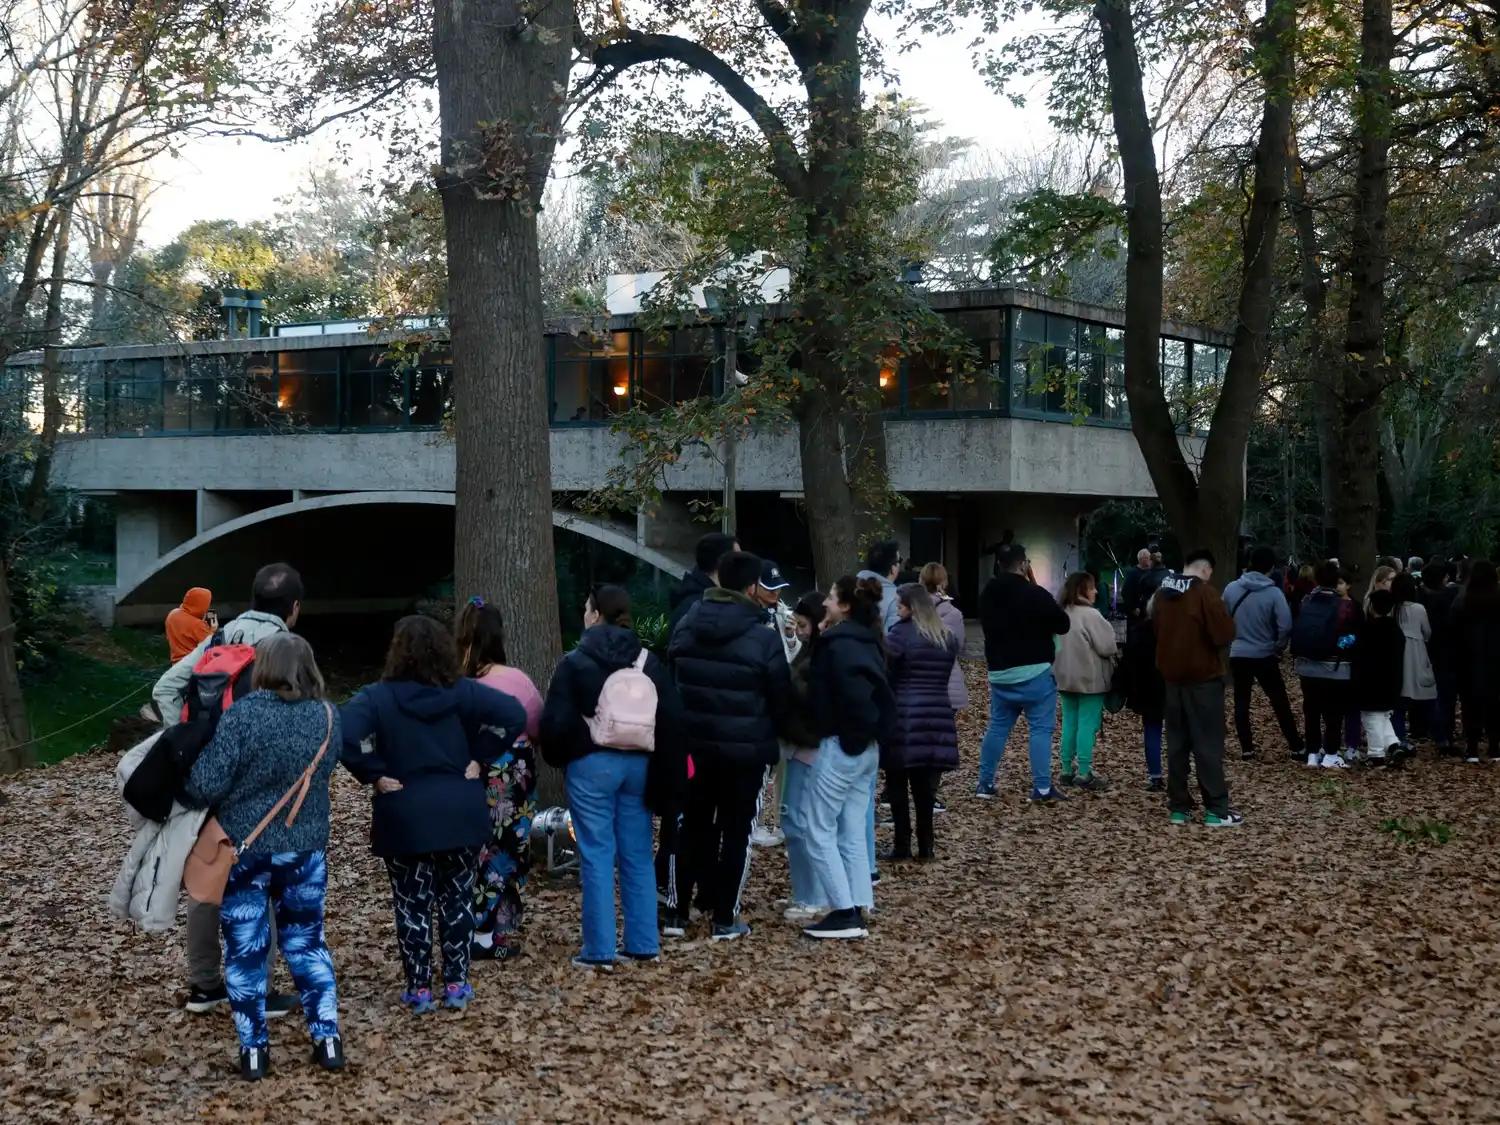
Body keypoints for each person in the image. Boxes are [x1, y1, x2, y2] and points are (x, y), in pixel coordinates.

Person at [340, 616, 528, 1013]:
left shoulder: (377, 697)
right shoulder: (463, 693)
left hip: (405, 812)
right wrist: (481, 756)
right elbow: (513, 713)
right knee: (458, 900)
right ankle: (457, 982)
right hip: (460, 809)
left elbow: (345, 734)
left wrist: (372, 772)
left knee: (412, 902)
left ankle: (420, 986)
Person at [182, 633, 343, 1080]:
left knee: (246, 950)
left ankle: (254, 1051)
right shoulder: (329, 717)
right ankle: (327, 1039)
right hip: (305, 851)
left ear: (262, 668)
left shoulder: (243, 717)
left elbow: (206, 784)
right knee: (307, 943)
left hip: (245, 851)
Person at [154, 562, 305, 1018]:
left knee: (206, 876)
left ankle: (204, 986)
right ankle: (258, 988)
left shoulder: (218, 637)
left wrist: (185, 747)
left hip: (209, 779)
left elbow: (167, 688)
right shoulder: (290, 648)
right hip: (262, 784)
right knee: (266, 880)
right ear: (294, 608)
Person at [539, 586, 686, 968]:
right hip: (640, 763)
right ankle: (643, 943)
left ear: (594, 614)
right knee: (637, 853)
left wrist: (564, 754)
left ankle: (599, 950)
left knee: (597, 854)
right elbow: (671, 720)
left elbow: (554, 723)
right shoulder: (647, 661)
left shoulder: (575, 661)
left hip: (592, 765)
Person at [668, 550, 792, 941]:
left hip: (693, 749)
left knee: (689, 828)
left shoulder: (687, 626)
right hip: (746, 754)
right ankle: (725, 915)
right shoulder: (764, 639)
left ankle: (675, 910)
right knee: (737, 833)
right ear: (753, 588)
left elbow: (672, 679)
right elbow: (781, 700)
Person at [802, 576, 895, 940]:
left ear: (844, 605)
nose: (824, 602)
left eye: (829, 596)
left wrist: (849, 738)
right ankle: (857, 903)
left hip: (844, 745)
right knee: (853, 830)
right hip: (866, 748)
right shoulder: (870, 641)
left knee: (819, 828)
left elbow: (840, 694)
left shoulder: (836, 645)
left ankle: (843, 911)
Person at [455, 596, 542, 961]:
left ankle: (468, 924)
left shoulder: (453, 683)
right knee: (504, 850)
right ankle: (485, 929)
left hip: (464, 772)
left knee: (472, 851)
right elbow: (537, 723)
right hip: (510, 773)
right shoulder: (516, 681)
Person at [1149, 548, 1241, 826]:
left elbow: (1155, 627)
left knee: (1177, 745)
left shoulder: (1162, 593)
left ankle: (1179, 808)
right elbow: (1224, 633)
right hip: (1203, 681)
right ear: (1207, 570)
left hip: (1172, 679)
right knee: (1208, 745)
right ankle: (1216, 810)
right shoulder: (1204, 594)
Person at [975, 542, 1071, 803]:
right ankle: (1041, 788)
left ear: (998, 564)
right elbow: (1062, 624)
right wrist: (1036, 586)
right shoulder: (1034, 594)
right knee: (1040, 729)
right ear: (1024, 564)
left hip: (1000, 673)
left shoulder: (987, 594)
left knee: (997, 727)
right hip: (1034, 671)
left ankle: (984, 783)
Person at [883, 584, 959, 861]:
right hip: (936, 713)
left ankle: (902, 844)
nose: (897, 609)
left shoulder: (899, 636)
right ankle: (927, 846)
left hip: (904, 715)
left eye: (900, 605)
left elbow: (887, 671)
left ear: (911, 607)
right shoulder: (945, 636)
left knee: (897, 784)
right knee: (924, 787)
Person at [1223, 546, 1302, 761]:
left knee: (1241, 701)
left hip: (1239, 652)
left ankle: (1246, 748)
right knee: (1279, 700)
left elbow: (1221, 618)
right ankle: (1295, 745)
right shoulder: (1274, 593)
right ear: (1271, 567)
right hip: (1264, 653)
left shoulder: (1231, 589)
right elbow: (1285, 625)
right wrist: (1278, 645)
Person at [779, 593, 829, 922]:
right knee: (802, 819)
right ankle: (809, 892)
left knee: (797, 819)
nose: (799, 631)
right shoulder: (815, 652)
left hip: (809, 744)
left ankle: (811, 896)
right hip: (806, 743)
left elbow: (806, 694)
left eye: (803, 625)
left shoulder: (820, 659)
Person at [1291, 560, 1363, 768]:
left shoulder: (1306, 601)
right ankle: (1331, 753)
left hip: (1306, 665)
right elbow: (1355, 636)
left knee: (1311, 710)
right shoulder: (1346, 606)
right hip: (1335, 667)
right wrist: (1339, 646)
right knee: (1333, 713)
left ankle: (1313, 752)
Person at [1052, 572, 1118, 790]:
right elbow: (1108, 646)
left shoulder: (1060, 612)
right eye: (1092, 587)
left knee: (1069, 722)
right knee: (1087, 725)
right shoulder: (1091, 615)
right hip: (1089, 679)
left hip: (1063, 677)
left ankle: (1065, 769)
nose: (1096, 591)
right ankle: (1084, 771)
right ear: (1083, 590)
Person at [749, 558, 796, 849]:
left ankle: (778, 822)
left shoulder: (782, 613)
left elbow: (792, 658)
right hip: (757, 703)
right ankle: (752, 824)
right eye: (770, 588)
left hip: (781, 700)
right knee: (757, 768)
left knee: (782, 766)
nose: (775, 594)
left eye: (779, 588)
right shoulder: (747, 615)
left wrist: (790, 636)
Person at [1449, 559, 1500, 763]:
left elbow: (1452, 631)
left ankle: (1472, 748)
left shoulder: (1462, 600)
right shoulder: (1497, 598)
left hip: (1468, 658)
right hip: (1496, 659)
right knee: (1495, 704)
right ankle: (1495, 747)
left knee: (1470, 704)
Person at [1351, 588, 1406, 765]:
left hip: (1369, 681)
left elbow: (1354, 647)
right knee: (1383, 716)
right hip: (1391, 680)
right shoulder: (1396, 630)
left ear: (1372, 607)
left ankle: (1376, 755)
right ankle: (1393, 745)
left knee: (1371, 718)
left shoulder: (1366, 629)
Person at [1389, 572, 1437, 753]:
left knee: (1399, 702)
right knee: (1428, 698)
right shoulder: (1418, 609)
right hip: (1417, 655)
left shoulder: (1392, 609)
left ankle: (1398, 738)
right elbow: (1427, 632)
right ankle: (1440, 737)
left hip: (1397, 656)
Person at [1121, 613, 1166, 790]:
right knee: (1180, 732)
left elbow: (1130, 658)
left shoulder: (1141, 630)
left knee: (1152, 731)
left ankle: (1155, 776)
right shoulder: (1180, 628)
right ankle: (1181, 775)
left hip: (1149, 687)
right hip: (1174, 684)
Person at [1420, 561, 1460, 752]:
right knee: (1445, 697)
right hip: (1447, 653)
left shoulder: (1421, 600)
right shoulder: (1449, 600)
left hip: (1429, 652)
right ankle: (1444, 735)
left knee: (1435, 695)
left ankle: (1435, 731)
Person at [920, 563, 969, 714]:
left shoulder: (912, 610)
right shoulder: (953, 614)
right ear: (945, 582)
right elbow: (959, 646)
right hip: (946, 680)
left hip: (918, 680)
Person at [668, 531, 739, 634]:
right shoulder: (696, 609)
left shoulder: (704, 600)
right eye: (739, 560)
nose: (744, 566)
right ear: (724, 564)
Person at [855, 538, 903, 633]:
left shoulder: (849, 587)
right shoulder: (896, 599)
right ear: (893, 569)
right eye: (899, 561)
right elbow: (891, 638)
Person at [166, 587, 216, 663]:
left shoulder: (173, 614)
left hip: (176, 664)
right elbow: (211, 646)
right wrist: (213, 629)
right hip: (192, 666)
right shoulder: (198, 625)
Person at [1120, 549, 1155, 632]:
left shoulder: (1150, 572)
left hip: (1146, 610)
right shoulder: (1133, 573)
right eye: (1148, 558)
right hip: (1136, 611)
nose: (1150, 560)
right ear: (1141, 559)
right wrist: (1133, 608)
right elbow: (1125, 592)